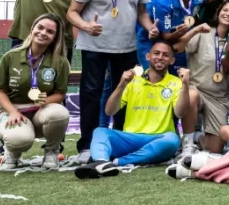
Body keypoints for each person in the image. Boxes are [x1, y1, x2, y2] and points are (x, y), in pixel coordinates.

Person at [67, 0, 156, 163]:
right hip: (94, 45)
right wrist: (86, 26)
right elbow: (72, 12)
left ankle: (119, 141)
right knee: (91, 95)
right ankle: (86, 146)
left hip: (125, 47)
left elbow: (142, 14)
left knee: (124, 95)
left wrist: (150, 28)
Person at [75, 41, 188, 178]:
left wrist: (186, 84)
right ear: (147, 56)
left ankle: (117, 162)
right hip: (129, 138)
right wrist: (122, 84)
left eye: (165, 55)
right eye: (156, 53)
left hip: (158, 138)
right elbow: (109, 111)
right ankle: (101, 161)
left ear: (172, 60)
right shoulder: (133, 81)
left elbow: (180, 113)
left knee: (172, 140)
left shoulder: (176, 82)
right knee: (100, 131)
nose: (160, 57)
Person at [0, 14, 71, 170]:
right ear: (32, 29)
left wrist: (45, 101)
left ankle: (52, 151)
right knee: (18, 139)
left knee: (60, 113)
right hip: (12, 112)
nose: (43, 33)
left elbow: (60, 94)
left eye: (50, 31)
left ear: (55, 37)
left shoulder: (60, 62)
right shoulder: (10, 57)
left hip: (40, 112)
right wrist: (13, 112)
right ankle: (12, 152)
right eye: (40, 27)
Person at [173, 0, 229, 154]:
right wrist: (195, 30)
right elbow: (179, 47)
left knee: (215, 149)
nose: (228, 14)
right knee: (191, 95)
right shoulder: (205, 31)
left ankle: (198, 137)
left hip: (219, 97)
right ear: (218, 12)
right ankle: (188, 143)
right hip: (197, 89)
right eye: (225, 10)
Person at [143, 0, 205, 70]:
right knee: (156, 74)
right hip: (153, 38)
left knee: (177, 76)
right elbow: (165, 36)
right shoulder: (164, 2)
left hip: (178, 38)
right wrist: (179, 33)